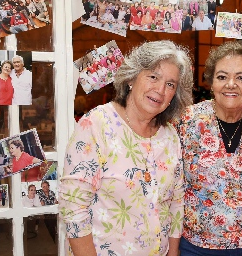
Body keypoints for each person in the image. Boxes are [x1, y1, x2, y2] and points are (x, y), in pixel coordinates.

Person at [59, 40, 193, 256]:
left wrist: (173, 253)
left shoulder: (169, 136)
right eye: (153, 77)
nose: (160, 89)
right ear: (131, 77)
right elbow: (73, 207)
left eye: (170, 84)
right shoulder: (97, 124)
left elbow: (176, 201)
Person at [174, 41, 242, 255]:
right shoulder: (186, 121)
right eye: (222, 77)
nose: (231, 84)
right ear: (211, 83)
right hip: (197, 247)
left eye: (241, 77)